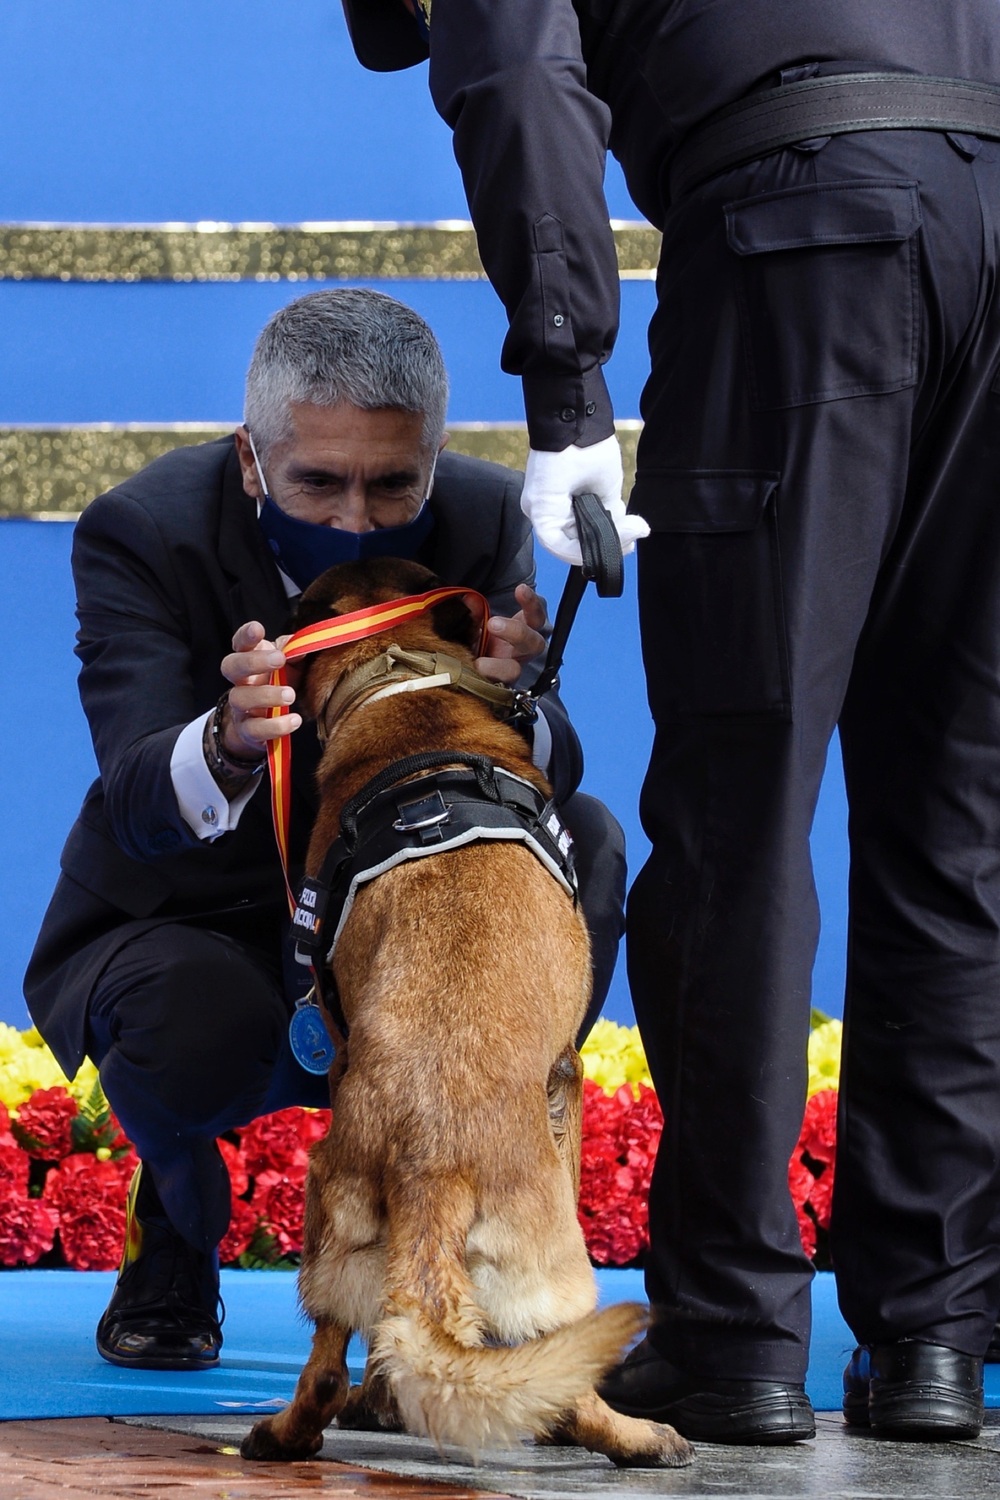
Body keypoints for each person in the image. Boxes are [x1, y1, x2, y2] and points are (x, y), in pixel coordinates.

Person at [340, 0, 1000, 1446]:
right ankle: (936, 1336)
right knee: (958, 826)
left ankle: (733, 1331)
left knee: (740, 820)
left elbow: (512, 63)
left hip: (807, 247)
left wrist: (568, 386)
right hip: (992, 216)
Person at [24, 287, 626, 1372]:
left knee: (585, 842)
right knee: (184, 1018)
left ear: (434, 461)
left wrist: (521, 698)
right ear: (253, 462)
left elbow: (551, 766)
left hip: (408, 924)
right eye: (318, 481)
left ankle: (459, 1243)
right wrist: (224, 744)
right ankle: (174, 1223)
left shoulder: (484, 518)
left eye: (393, 485)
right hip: (211, 917)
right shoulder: (145, 529)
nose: (355, 518)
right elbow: (132, 791)